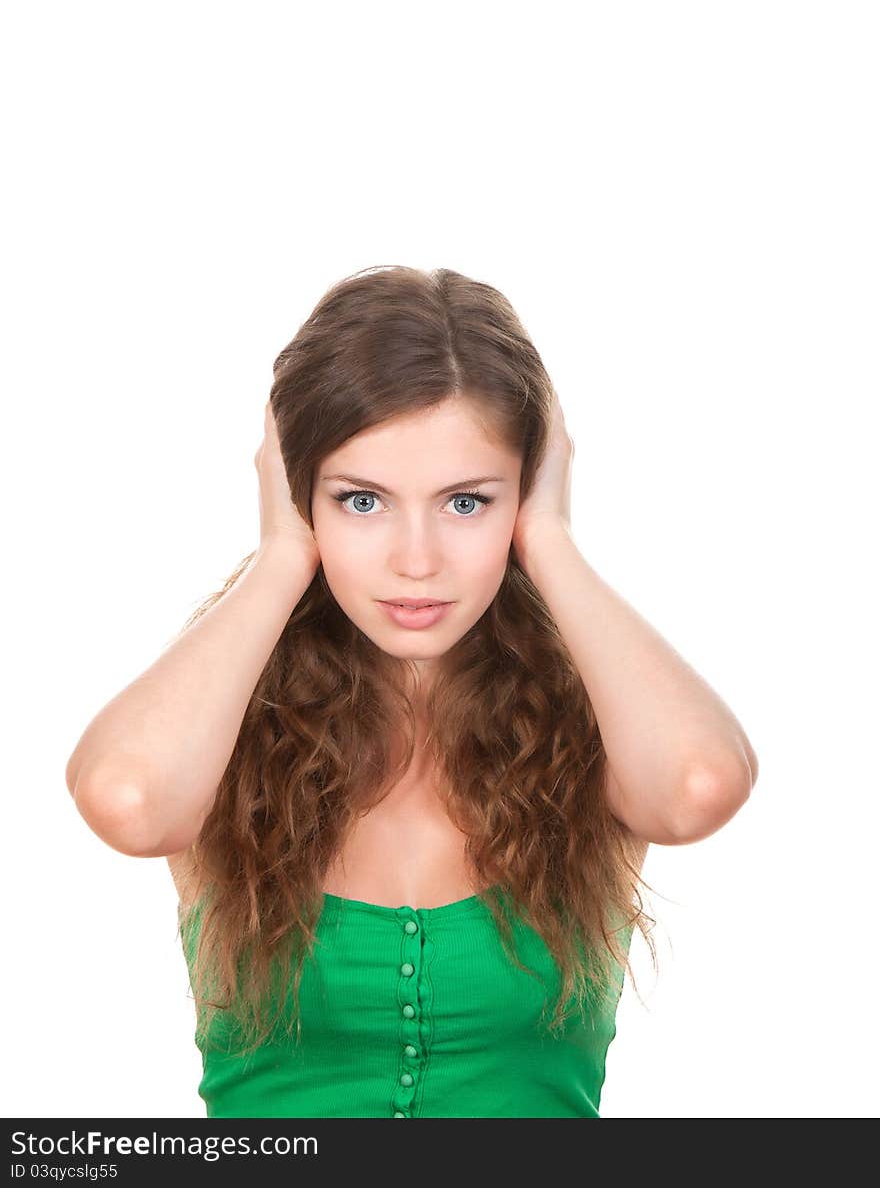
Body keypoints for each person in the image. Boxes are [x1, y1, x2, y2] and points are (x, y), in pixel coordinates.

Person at [65, 264, 759, 1119]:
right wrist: (283, 554)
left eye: (466, 501)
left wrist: (549, 538)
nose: (416, 559)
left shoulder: (598, 722)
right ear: (300, 495)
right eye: (362, 500)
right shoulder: (225, 721)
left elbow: (699, 786)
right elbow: (127, 800)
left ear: (525, 491)